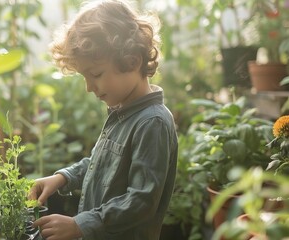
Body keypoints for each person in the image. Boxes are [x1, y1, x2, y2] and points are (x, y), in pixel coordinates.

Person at [29, 1, 178, 239]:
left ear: (132, 61)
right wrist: (62, 177)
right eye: (84, 77)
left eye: (96, 74)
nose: (89, 87)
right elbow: (102, 164)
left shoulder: (152, 123)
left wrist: (80, 224)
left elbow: (141, 200)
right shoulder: (122, 112)